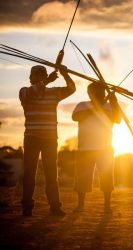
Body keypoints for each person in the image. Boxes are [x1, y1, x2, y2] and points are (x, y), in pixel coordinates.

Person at [19, 65, 76, 216]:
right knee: (29, 173)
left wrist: (65, 73)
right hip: (31, 137)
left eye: (40, 75)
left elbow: (72, 88)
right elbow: (35, 90)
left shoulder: (53, 92)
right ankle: (27, 207)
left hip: (50, 138)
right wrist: (48, 80)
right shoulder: (24, 91)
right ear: (30, 78)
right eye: (34, 75)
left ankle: (55, 207)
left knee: (51, 174)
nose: (37, 77)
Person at [72, 82, 121, 213]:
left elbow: (118, 120)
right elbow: (75, 117)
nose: (99, 94)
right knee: (82, 178)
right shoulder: (82, 105)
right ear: (89, 94)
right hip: (84, 149)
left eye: (101, 92)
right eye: (94, 92)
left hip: (105, 148)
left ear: (104, 93)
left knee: (106, 178)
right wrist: (96, 107)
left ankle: (107, 206)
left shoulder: (110, 106)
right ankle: (81, 205)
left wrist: (114, 101)